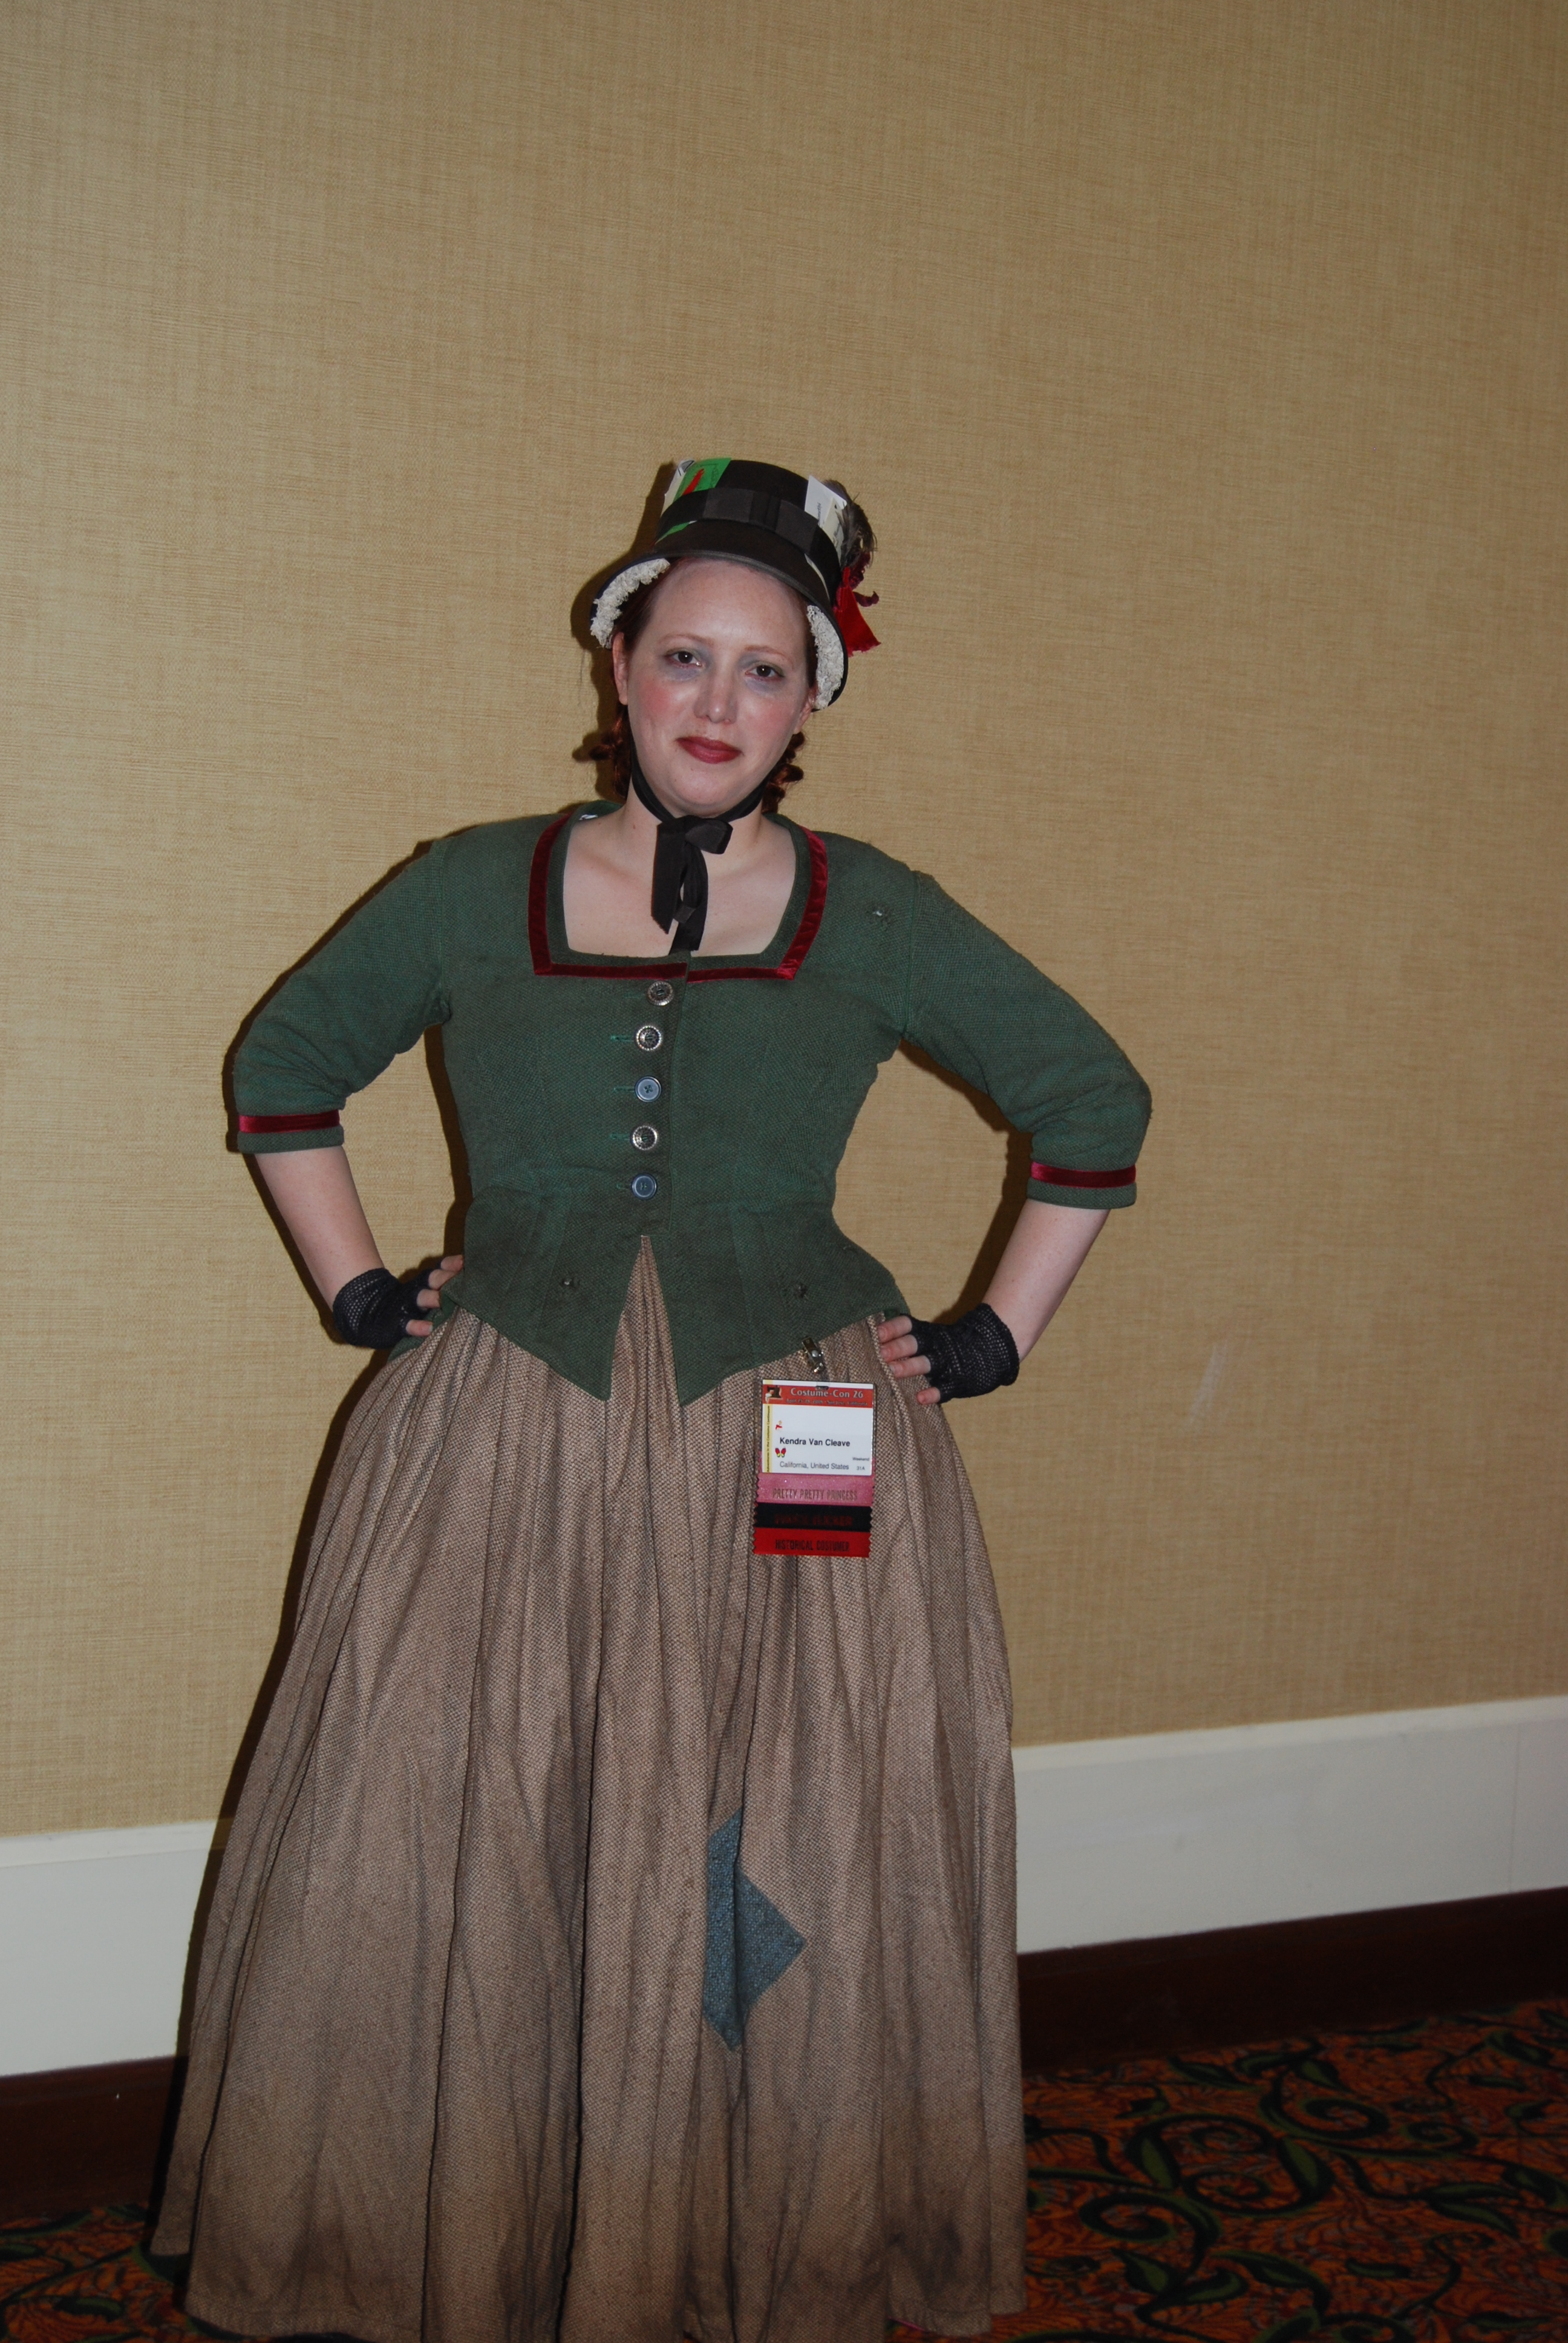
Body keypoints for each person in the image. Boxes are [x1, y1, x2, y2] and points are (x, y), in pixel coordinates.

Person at [154, 458, 1151, 2343]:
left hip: (803, 1423)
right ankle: (488, 2225)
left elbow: (1094, 1104)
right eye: (684, 654)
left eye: (765, 670)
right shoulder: (470, 886)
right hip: (507, 1414)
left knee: (786, 1807)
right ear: (616, 665)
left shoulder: (874, 911)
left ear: (811, 700)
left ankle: (749, 2226)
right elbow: (283, 1069)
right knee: (484, 1801)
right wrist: (358, 1288)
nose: (717, 700)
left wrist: (995, 1334)